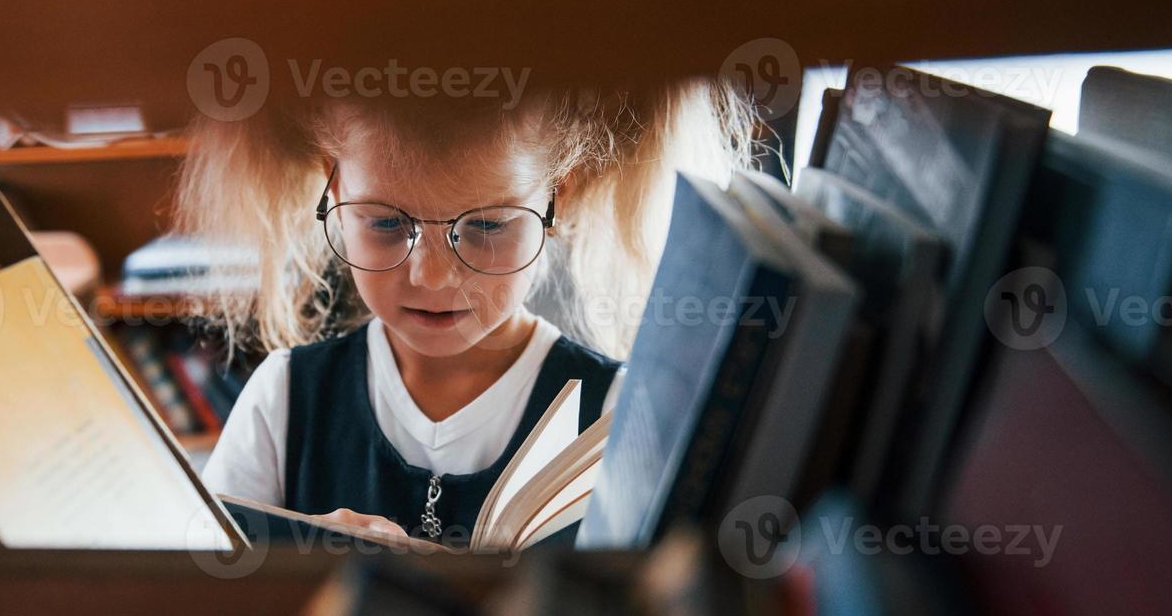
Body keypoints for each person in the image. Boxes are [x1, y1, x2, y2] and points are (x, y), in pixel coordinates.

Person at [181, 84, 754, 542]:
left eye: (484, 227)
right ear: (332, 188)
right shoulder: (283, 400)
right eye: (386, 223)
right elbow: (207, 611)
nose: (431, 277)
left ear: (558, 197)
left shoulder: (614, 417)